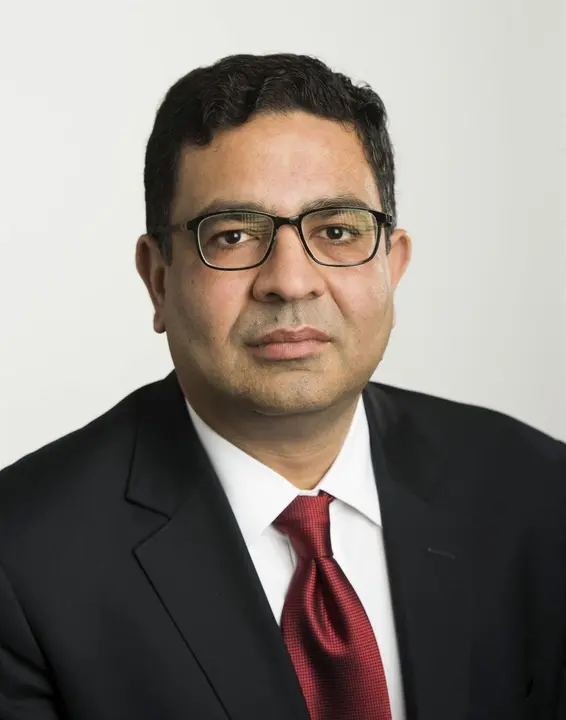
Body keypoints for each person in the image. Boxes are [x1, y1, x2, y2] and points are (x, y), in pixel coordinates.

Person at [0, 52, 564, 720]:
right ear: (158, 279)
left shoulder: (540, 496)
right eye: (234, 235)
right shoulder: (23, 559)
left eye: (337, 231)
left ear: (392, 267)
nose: (290, 282)